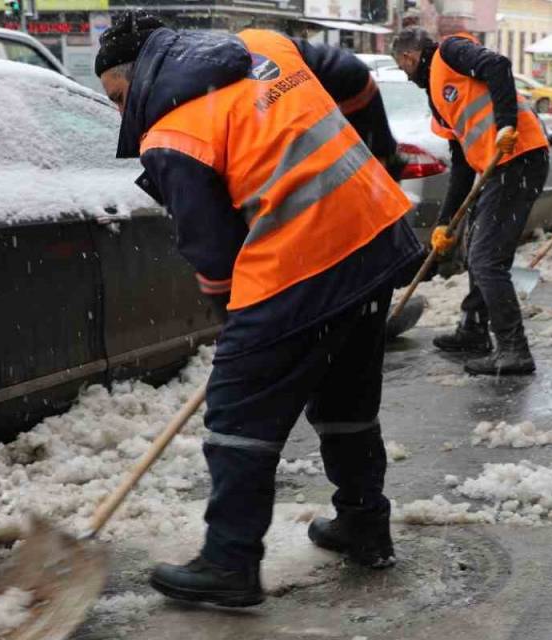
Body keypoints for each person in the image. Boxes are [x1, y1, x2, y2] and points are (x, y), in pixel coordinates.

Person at [95, 12, 424, 607]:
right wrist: (381, 158)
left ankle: (230, 562)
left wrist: (241, 337)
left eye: (118, 96)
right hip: (377, 238)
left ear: (141, 73)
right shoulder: (263, 46)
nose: (122, 113)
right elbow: (354, 79)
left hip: (302, 262)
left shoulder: (172, 136)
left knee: (236, 413)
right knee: (346, 397)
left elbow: (214, 257)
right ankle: (364, 524)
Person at [391, 26, 549, 376]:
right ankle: (474, 330)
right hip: (499, 167)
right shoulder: (437, 97)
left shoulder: (450, 52)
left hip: (519, 156)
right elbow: (462, 164)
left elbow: (498, 65)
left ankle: (514, 349)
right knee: (475, 249)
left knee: (486, 258)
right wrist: (445, 223)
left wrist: (506, 125)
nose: (406, 76)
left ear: (409, 56)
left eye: (402, 67)